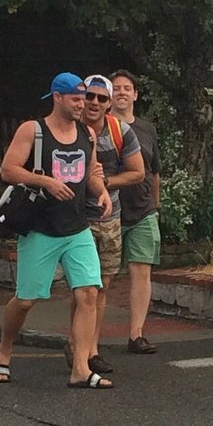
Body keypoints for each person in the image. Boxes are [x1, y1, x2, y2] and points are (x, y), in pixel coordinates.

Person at [0, 73, 110, 388]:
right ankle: (4, 349)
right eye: (76, 99)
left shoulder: (87, 133)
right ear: (58, 97)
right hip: (40, 228)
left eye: (83, 98)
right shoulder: (33, 130)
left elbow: (91, 172)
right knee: (26, 300)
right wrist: (46, 182)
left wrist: (102, 191)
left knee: (88, 293)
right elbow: (9, 169)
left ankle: (80, 368)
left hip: (77, 228)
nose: (82, 104)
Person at [79, 74, 145, 373]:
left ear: (108, 104)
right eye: (89, 96)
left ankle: (90, 350)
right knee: (84, 289)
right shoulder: (69, 128)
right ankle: (78, 348)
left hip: (109, 218)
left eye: (101, 98)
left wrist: (104, 183)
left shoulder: (121, 131)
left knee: (101, 286)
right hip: (74, 219)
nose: (93, 103)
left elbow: (138, 173)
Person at [104, 71, 163, 354]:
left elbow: (154, 172)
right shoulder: (99, 128)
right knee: (103, 277)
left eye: (127, 88)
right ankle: (87, 340)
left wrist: (156, 205)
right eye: (116, 88)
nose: (122, 93)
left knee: (141, 270)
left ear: (136, 95)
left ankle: (136, 334)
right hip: (108, 212)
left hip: (143, 211)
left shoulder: (147, 129)